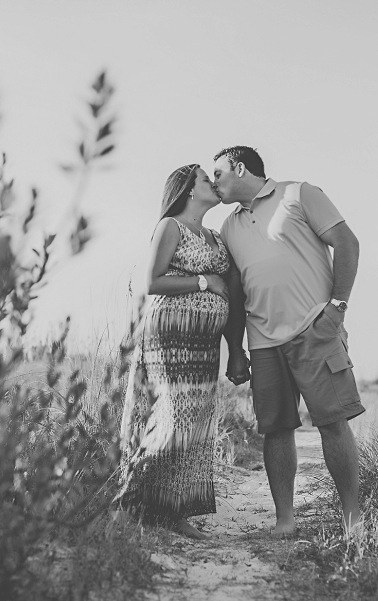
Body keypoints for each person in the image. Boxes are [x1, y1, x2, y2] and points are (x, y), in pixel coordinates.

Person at [213, 146, 365, 536]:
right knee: (275, 429)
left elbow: (347, 243)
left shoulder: (298, 193)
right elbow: (236, 292)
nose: (214, 182)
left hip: (315, 328)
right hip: (262, 341)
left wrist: (337, 308)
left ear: (240, 168)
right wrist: (236, 350)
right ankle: (285, 520)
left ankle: (352, 517)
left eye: (218, 173)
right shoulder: (229, 227)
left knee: (332, 423)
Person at [113, 164, 232, 540]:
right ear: (188, 190)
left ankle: (171, 510)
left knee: (196, 425)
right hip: (171, 337)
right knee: (172, 418)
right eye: (204, 179)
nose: (212, 182)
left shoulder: (215, 235)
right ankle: (132, 501)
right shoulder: (170, 227)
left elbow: (228, 290)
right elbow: (152, 281)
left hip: (205, 343)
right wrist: (202, 280)